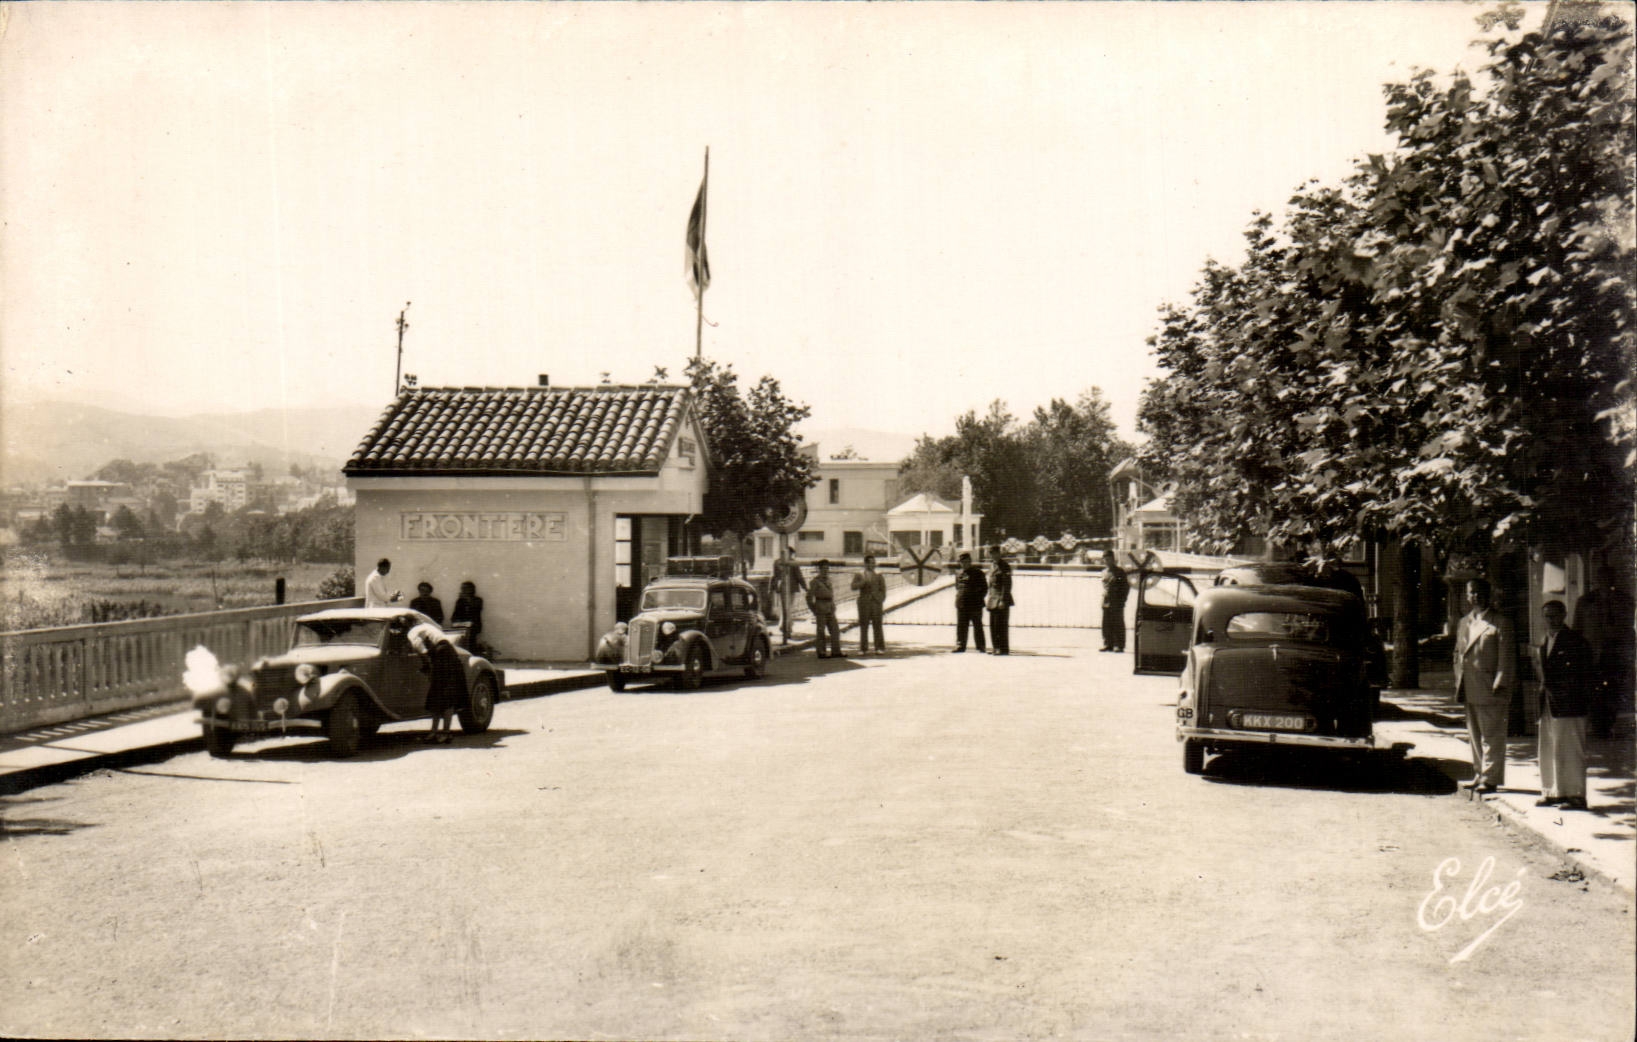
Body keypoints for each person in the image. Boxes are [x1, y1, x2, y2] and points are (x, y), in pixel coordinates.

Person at [1454, 577, 1516, 794]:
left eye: (1479, 592)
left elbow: (1506, 657)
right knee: (1474, 734)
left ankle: (1490, 778)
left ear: (1488, 594)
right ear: (1467, 595)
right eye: (1471, 592)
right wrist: (1458, 679)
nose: (1475, 597)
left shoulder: (1500, 622)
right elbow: (1458, 653)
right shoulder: (1464, 622)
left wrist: (1501, 682)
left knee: (1492, 735)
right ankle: (1479, 772)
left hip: (1490, 686)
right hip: (1469, 686)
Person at [1534, 600, 1596, 810]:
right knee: (1550, 749)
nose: (1551, 620)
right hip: (1549, 704)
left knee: (1571, 750)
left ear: (1564, 615)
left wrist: (1577, 699)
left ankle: (1576, 795)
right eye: (1547, 616)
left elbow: (1586, 676)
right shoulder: (1545, 641)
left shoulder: (1576, 641)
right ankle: (1553, 792)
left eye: (1555, 615)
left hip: (1570, 705)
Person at [408, 621, 468, 744]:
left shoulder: (412, 633)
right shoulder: (427, 626)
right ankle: (442, 732)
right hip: (450, 653)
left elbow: (422, 651)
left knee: (438, 695)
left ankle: (436, 732)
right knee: (446, 695)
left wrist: (427, 668)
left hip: (441, 655)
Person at [851, 554, 887, 655]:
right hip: (864, 603)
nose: (872, 565)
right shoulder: (859, 575)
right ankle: (863, 648)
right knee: (864, 626)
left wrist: (880, 600)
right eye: (870, 563)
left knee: (877, 625)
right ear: (865, 564)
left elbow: (883, 589)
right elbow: (853, 586)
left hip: (876, 603)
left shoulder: (879, 575)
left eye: (873, 563)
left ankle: (879, 647)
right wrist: (862, 583)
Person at [953, 552, 988, 653]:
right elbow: (958, 587)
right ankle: (960, 645)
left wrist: (977, 599)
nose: (964, 564)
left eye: (966, 562)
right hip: (962, 603)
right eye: (962, 562)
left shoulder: (978, 573)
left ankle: (980, 646)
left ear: (970, 562)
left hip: (975, 604)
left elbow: (984, 589)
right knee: (961, 626)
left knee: (977, 625)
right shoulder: (959, 574)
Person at [807, 559, 842, 659]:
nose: (826, 571)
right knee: (821, 631)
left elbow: (831, 594)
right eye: (823, 569)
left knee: (835, 630)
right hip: (820, 606)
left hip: (830, 607)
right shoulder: (815, 582)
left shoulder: (829, 580)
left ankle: (836, 651)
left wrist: (833, 604)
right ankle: (821, 652)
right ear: (819, 569)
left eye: (827, 568)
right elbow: (809, 597)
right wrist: (814, 609)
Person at [773, 547, 807, 642]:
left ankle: (784, 626)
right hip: (791, 588)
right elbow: (799, 576)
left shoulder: (777, 562)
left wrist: (774, 587)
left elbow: (775, 577)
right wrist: (805, 587)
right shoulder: (793, 563)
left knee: (783, 608)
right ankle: (786, 628)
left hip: (781, 588)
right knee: (788, 609)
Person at [1100, 550, 1130, 652]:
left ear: (1113, 559)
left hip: (1117, 601)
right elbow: (1105, 587)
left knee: (1118, 624)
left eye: (1108, 559)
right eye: (1105, 559)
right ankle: (1108, 643)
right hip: (1106, 601)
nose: (1107, 561)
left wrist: (1123, 600)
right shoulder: (1104, 572)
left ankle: (1119, 645)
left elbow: (1126, 587)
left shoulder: (1120, 572)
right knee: (1106, 624)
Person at [986, 555, 1015, 655]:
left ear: (998, 553)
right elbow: (990, 584)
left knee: (1001, 625)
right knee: (993, 625)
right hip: (993, 598)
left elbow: (1006, 585)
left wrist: (1003, 600)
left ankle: (1003, 648)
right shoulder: (992, 565)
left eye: (994, 552)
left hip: (1001, 598)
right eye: (990, 553)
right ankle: (996, 647)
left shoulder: (1004, 566)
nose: (992, 555)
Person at [451, 580, 484, 649]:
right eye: (462, 588)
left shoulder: (478, 600)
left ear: (471, 589)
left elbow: (477, 610)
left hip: (473, 626)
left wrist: (467, 599)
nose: (463, 590)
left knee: (471, 643)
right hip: (461, 625)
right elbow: (455, 614)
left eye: (465, 588)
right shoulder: (460, 601)